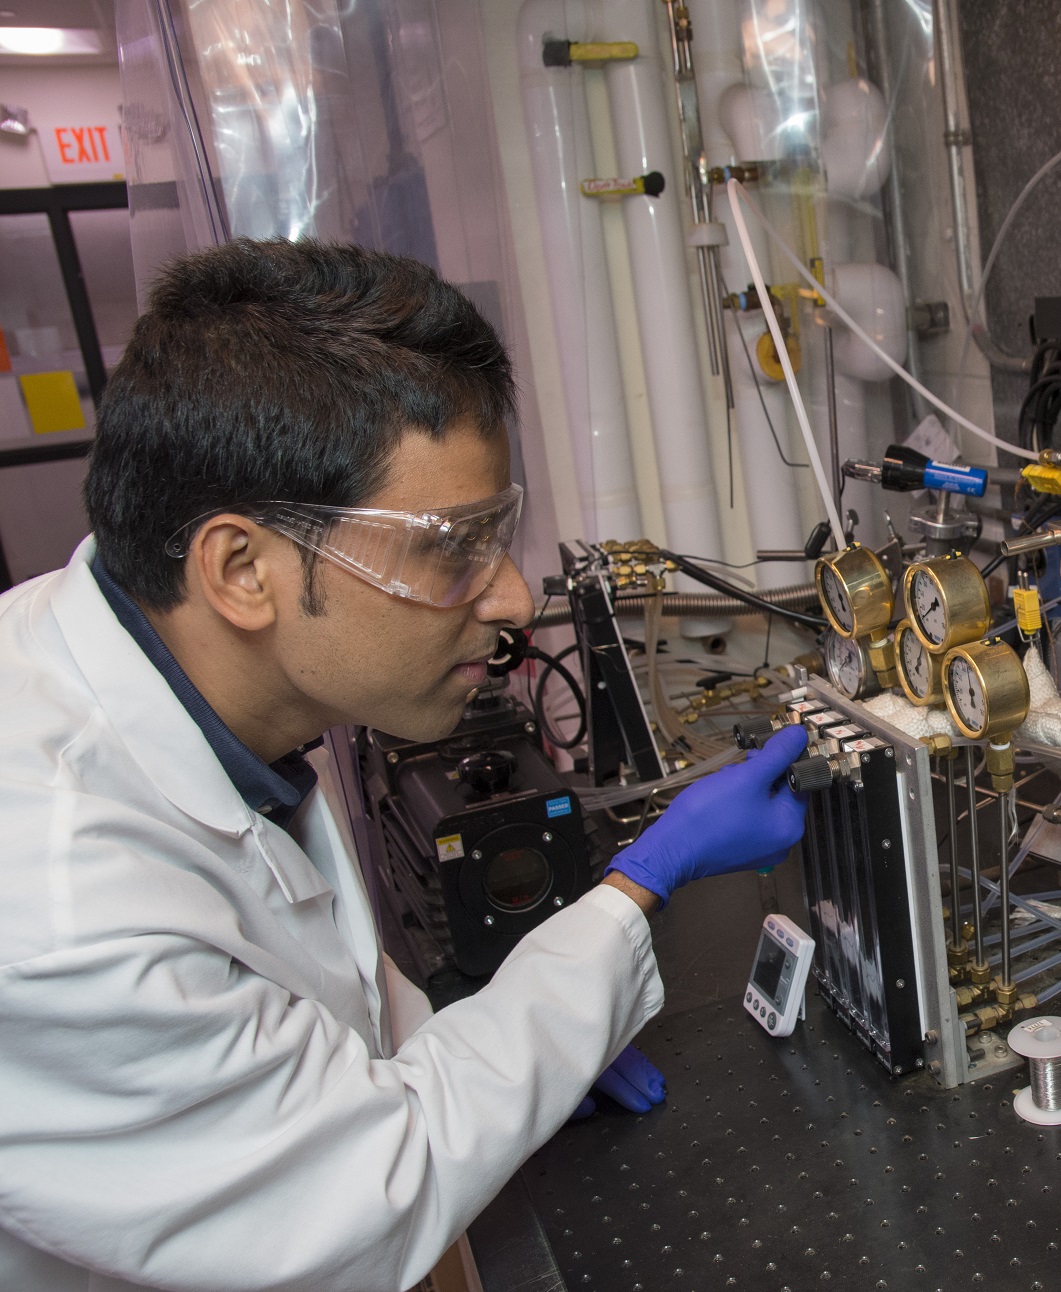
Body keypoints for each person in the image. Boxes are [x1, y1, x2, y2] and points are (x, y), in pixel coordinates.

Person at [0, 239, 809, 1291]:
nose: (515, 600)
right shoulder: (58, 905)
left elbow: (324, 1009)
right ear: (242, 568)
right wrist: (633, 890)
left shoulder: (206, 683)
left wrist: (537, 1044)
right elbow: (356, 1199)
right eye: (452, 544)